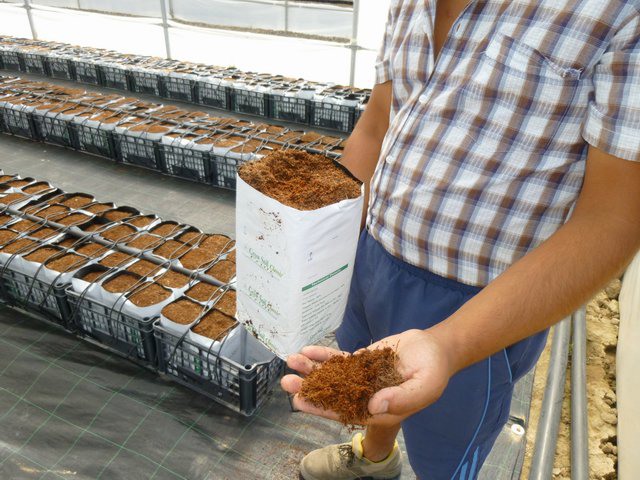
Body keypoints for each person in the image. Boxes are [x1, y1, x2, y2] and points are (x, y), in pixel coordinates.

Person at [282, 0, 640, 478]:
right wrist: (316, 244)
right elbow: (375, 127)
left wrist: (449, 345)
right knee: (373, 379)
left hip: (480, 304)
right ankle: (374, 458)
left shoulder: (617, 12)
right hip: (374, 257)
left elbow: (613, 219)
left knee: (446, 443)